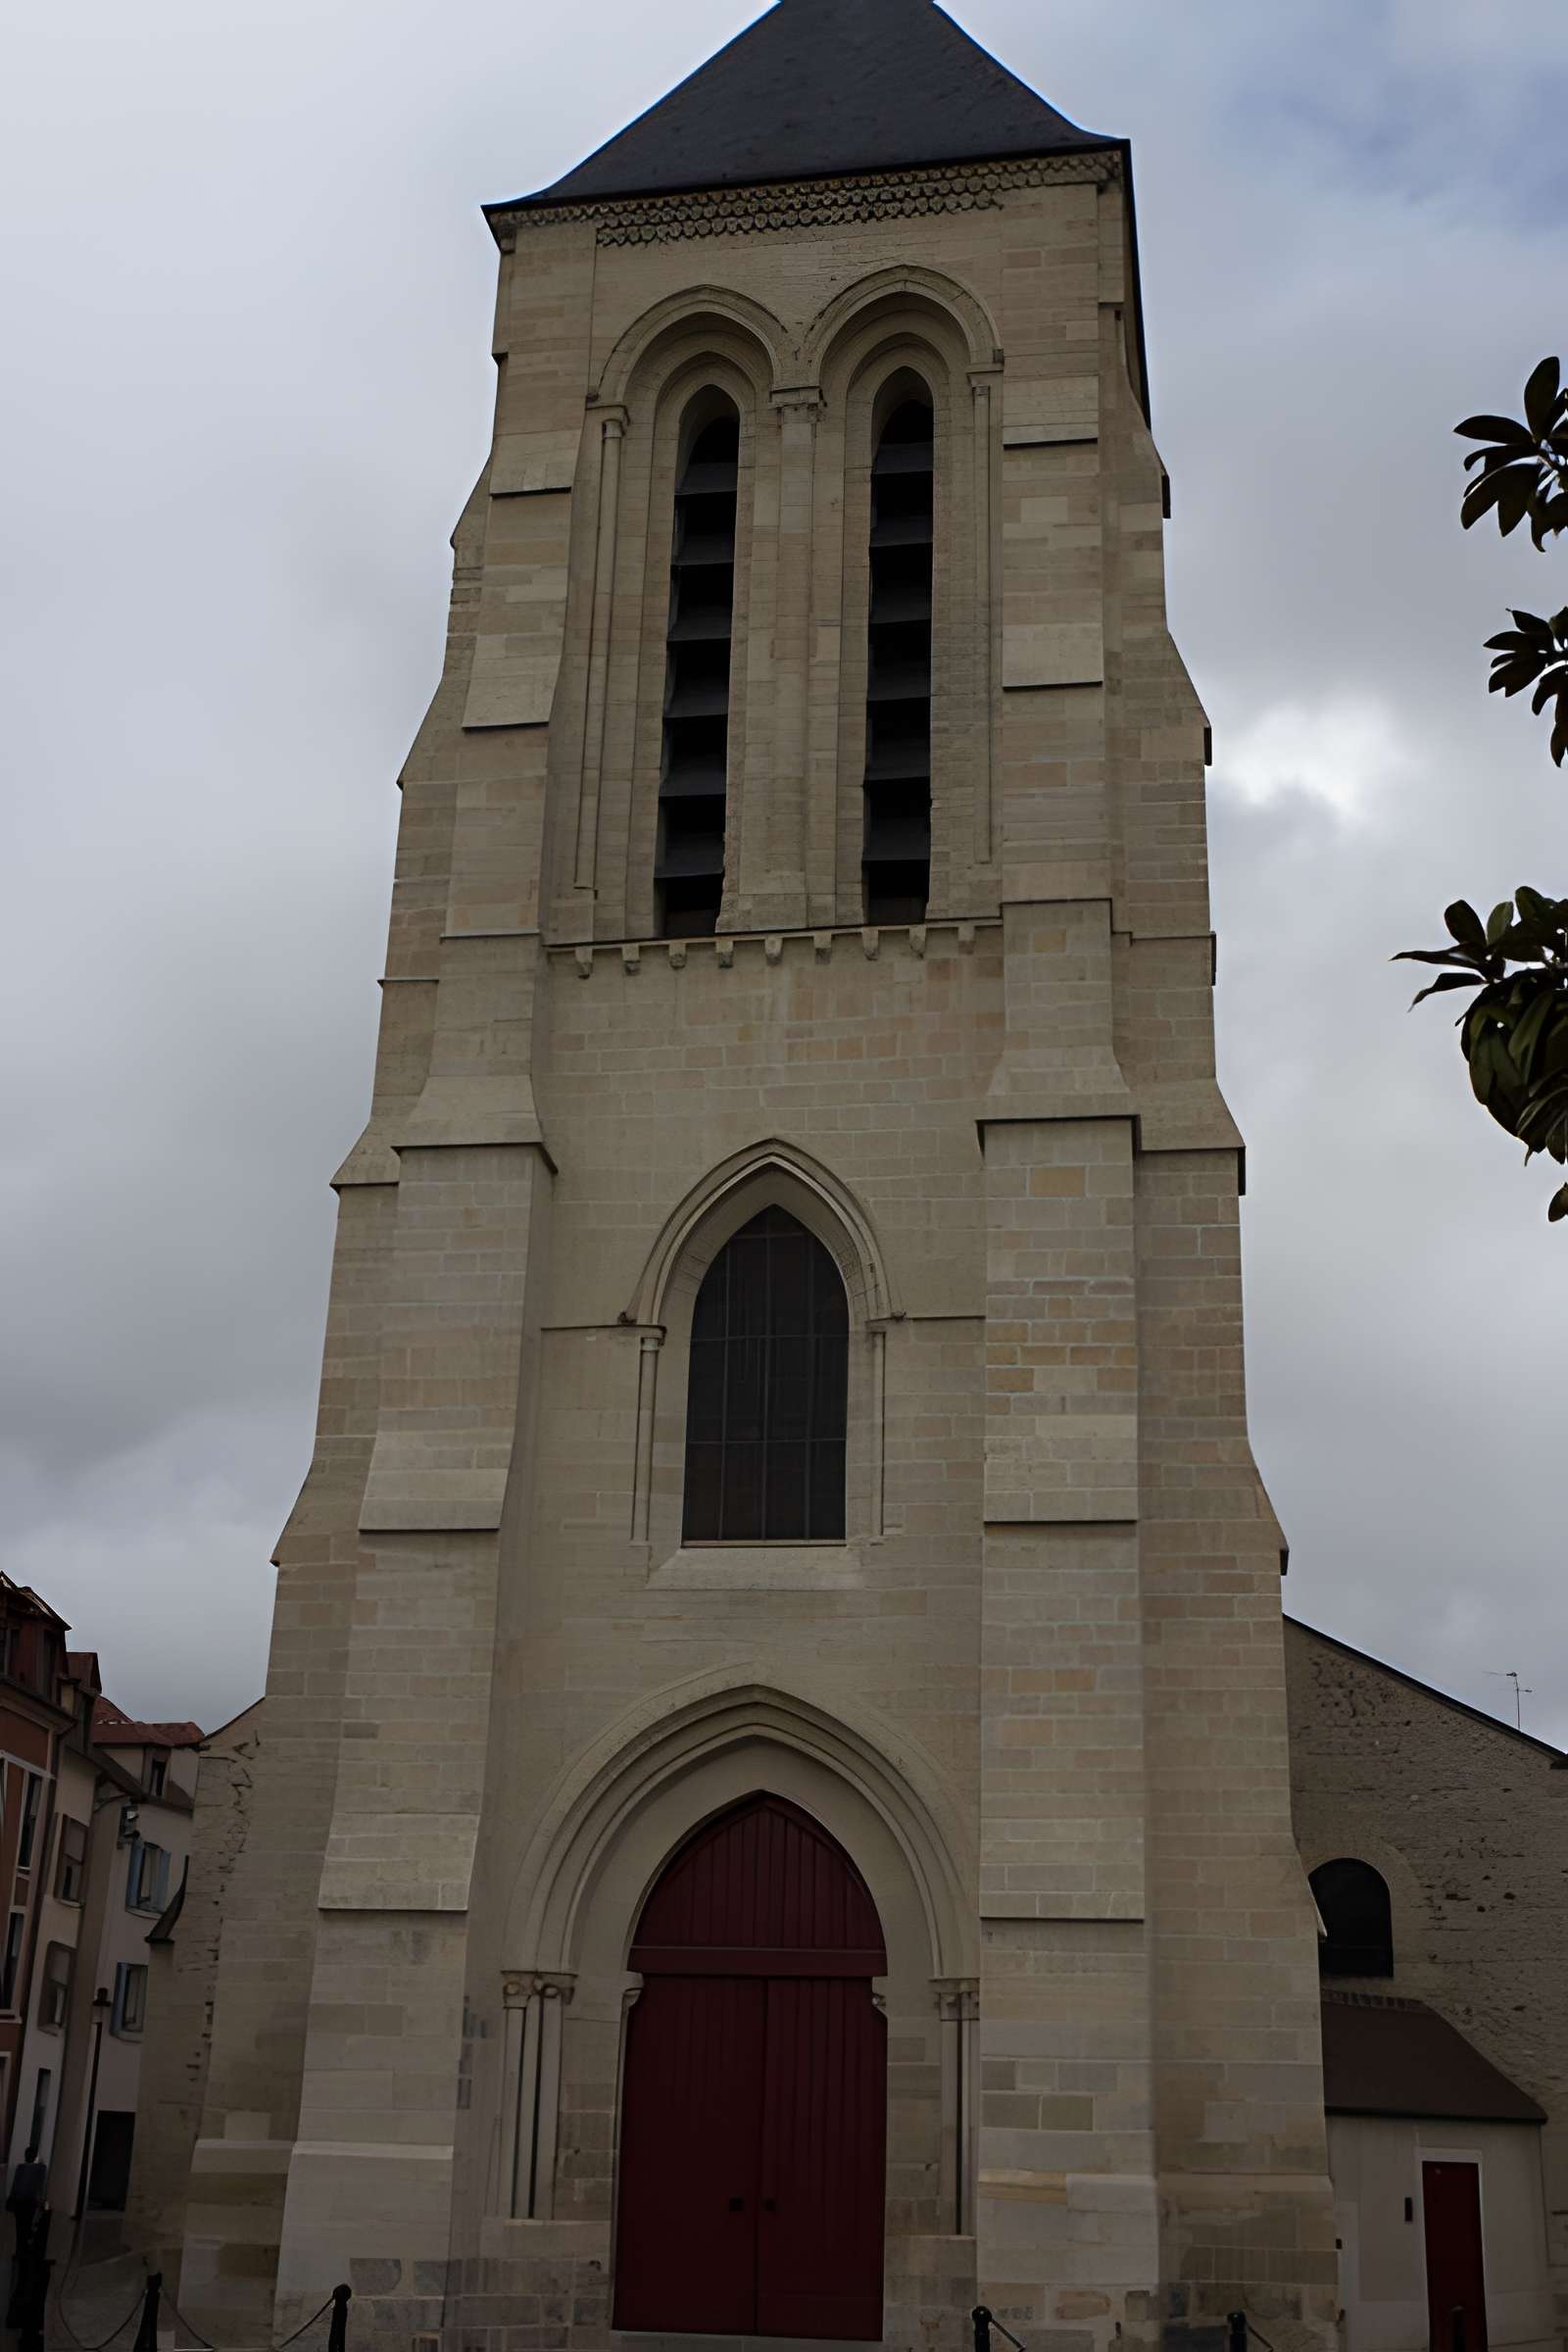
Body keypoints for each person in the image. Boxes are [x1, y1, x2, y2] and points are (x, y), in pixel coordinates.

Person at [6, 2145, 46, 2261]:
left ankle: (20, 2250)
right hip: (30, 2202)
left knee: (19, 2227)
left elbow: (15, 2186)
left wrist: (11, 2199)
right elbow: (39, 2186)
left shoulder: (20, 2168)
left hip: (19, 2201)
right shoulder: (40, 2169)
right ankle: (25, 2250)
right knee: (27, 2226)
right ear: (35, 2156)